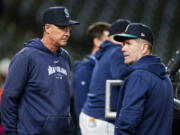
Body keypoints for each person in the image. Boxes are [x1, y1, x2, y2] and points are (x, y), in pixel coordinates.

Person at [1, 6, 79, 135]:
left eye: (69, 28)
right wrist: (11, 132)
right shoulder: (26, 56)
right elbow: (8, 98)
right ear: (47, 28)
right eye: (62, 28)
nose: (67, 33)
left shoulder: (65, 57)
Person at [113, 23, 174, 135]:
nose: (122, 48)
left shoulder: (139, 76)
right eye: (123, 44)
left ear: (144, 47)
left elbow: (127, 124)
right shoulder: (164, 76)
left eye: (128, 43)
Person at [79, 19, 131, 135]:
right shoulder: (117, 51)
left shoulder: (107, 51)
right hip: (101, 120)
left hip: (91, 116)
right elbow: (122, 76)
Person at [73, 21, 110, 135]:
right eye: (109, 39)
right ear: (97, 41)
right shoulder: (85, 69)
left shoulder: (104, 69)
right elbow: (81, 111)